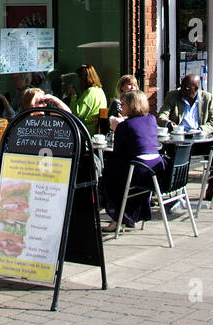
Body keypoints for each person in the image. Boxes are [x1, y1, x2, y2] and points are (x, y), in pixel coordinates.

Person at [101, 89, 165, 231]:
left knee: (109, 175)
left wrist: (115, 128)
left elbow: (118, 152)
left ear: (131, 105)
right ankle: (130, 216)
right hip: (156, 170)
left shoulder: (124, 126)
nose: (120, 107)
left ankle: (117, 219)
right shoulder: (151, 119)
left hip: (138, 172)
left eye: (123, 104)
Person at [71, 65, 107, 135]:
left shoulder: (91, 92)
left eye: (79, 77)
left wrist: (73, 96)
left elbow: (78, 115)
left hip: (87, 132)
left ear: (84, 78)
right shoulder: (99, 90)